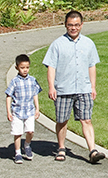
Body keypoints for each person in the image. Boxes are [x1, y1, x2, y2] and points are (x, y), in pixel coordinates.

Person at [42, 10, 104, 163]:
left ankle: (93, 150)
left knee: (86, 120)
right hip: (64, 89)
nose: (73, 28)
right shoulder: (57, 44)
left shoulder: (89, 43)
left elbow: (92, 66)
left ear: (82, 25)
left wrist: (93, 87)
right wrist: (51, 87)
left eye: (76, 25)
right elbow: (51, 67)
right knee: (62, 120)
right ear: (65, 25)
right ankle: (61, 148)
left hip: (84, 88)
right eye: (70, 25)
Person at [5, 54, 41, 164]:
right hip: (17, 111)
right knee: (18, 133)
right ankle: (17, 152)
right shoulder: (15, 81)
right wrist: (8, 111)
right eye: (22, 68)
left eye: (27, 67)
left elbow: (35, 94)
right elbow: (9, 96)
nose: (25, 70)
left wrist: (37, 108)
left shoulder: (32, 80)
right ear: (17, 68)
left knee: (30, 131)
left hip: (29, 110)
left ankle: (27, 145)